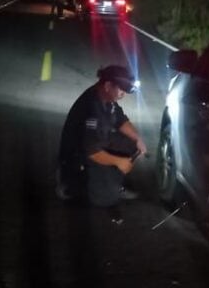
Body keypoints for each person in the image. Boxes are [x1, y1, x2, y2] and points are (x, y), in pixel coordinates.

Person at [57, 65, 147, 214]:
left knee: (131, 144)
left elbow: (121, 120)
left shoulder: (106, 97)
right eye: (121, 89)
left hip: (96, 143)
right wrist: (120, 162)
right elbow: (92, 151)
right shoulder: (92, 107)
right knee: (104, 199)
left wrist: (138, 138)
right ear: (107, 85)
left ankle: (111, 182)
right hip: (78, 157)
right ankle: (69, 185)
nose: (123, 93)